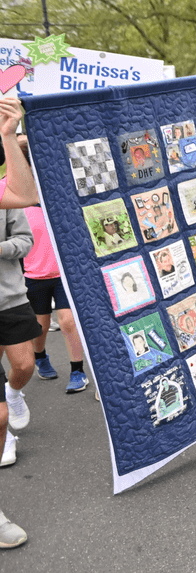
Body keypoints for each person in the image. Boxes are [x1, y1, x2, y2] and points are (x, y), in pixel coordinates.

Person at [0, 94, 34, 546]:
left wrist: (9, 135)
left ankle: (14, 392)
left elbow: (25, 196)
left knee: (23, 366)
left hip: (8, 299)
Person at [23, 196, 89, 393]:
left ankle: (77, 371)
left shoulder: (57, 196)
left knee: (68, 321)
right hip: (34, 275)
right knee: (40, 326)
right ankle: (40, 357)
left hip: (65, 274)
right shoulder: (17, 202)